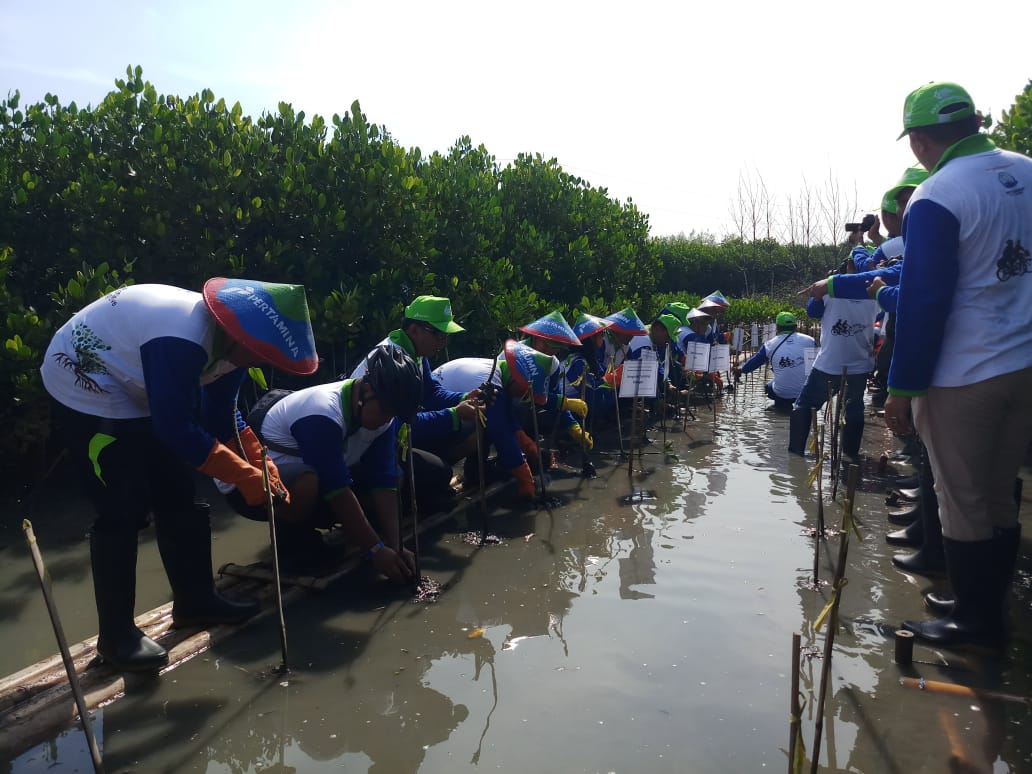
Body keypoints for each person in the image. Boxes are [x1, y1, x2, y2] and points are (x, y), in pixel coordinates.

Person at [41, 279, 319, 672]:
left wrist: (260, 462)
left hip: (140, 382)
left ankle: (195, 600)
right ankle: (116, 637)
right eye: (262, 355)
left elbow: (222, 416)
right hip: (88, 382)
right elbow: (175, 427)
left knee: (177, 491)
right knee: (122, 507)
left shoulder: (233, 349)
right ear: (243, 337)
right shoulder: (183, 338)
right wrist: (241, 476)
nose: (262, 363)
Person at [881, 82, 1032, 649]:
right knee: (999, 493)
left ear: (919, 142)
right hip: (1025, 363)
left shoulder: (938, 195)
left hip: (966, 373)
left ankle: (974, 622)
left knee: (962, 498)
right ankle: (983, 604)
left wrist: (903, 388)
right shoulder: (1027, 171)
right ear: (974, 122)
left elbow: (924, 301)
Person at [242, 344, 422, 584]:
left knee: (394, 477)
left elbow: (384, 482)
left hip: (318, 477)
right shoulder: (322, 413)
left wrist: (396, 544)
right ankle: (292, 541)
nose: (386, 419)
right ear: (367, 389)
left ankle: (348, 533)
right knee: (309, 480)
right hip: (258, 486)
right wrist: (375, 550)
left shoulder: (382, 419)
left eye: (393, 414)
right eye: (385, 410)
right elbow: (336, 490)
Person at [349, 296, 481, 512]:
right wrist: (454, 415)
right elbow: (401, 421)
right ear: (414, 329)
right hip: (371, 444)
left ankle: (424, 485)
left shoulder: (416, 354)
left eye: (445, 335)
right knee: (440, 472)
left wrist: (463, 398)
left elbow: (431, 393)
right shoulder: (391, 360)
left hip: (397, 434)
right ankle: (398, 498)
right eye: (438, 334)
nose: (443, 342)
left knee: (468, 430)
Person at [433, 341, 566, 499]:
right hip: (433, 426)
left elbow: (508, 420)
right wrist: (526, 480)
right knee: (484, 426)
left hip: (445, 413)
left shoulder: (499, 372)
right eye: (524, 392)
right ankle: (454, 473)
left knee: (490, 420)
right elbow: (501, 432)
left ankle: (476, 469)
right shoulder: (489, 383)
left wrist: (531, 450)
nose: (522, 397)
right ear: (516, 379)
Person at [788, 262, 877, 459]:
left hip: (829, 364)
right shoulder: (874, 293)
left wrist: (818, 293)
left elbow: (812, 312)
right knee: (854, 409)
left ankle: (795, 455)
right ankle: (850, 456)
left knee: (803, 406)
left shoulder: (830, 291)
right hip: (860, 365)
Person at [733, 312, 815, 411]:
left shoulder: (770, 345)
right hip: (806, 392)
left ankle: (780, 407)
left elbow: (754, 363)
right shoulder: (810, 341)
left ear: (777, 328)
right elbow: (813, 365)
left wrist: (741, 371)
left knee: (769, 387)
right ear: (795, 327)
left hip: (782, 393)